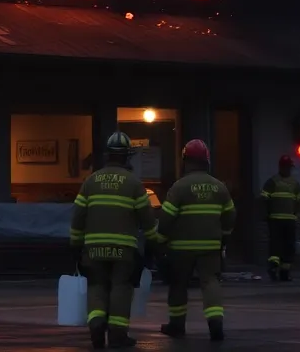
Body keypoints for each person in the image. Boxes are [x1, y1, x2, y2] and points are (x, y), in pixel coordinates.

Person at [70, 131, 161, 350]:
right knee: (121, 287)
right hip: (124, 249)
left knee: (96, 286)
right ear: (127, 156)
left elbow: (78, 216)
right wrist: (153, 243)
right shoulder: (134, 184)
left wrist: (76, 245)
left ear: (107, 155)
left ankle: (96, 325)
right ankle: (118, 335)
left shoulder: (91, 181)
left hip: (93, 248)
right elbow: (147, 219)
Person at [158, 138, 234, 343]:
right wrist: (224, 237)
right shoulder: (219, 187)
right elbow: (230, 215)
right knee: (210, 282)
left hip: (181, 248)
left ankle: (176, 325)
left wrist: (160, 240)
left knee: (178, 284)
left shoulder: (179, 187)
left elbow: (166, 218)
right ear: (206, 161)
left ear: (185, 161)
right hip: (210, 246)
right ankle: (215, 324)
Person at [261, 154, 300, 282]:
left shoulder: (275, 182)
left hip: (286, 220)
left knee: (287, 246)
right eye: (286, 167)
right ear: (281, 167)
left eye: (288, 167)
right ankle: (274, 268)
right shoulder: (275, 182)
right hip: (278, 220)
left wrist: (299, 216)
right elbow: (264, 200)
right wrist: (265, 215)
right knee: (279, 245)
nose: (287, 169)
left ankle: (283, 272)